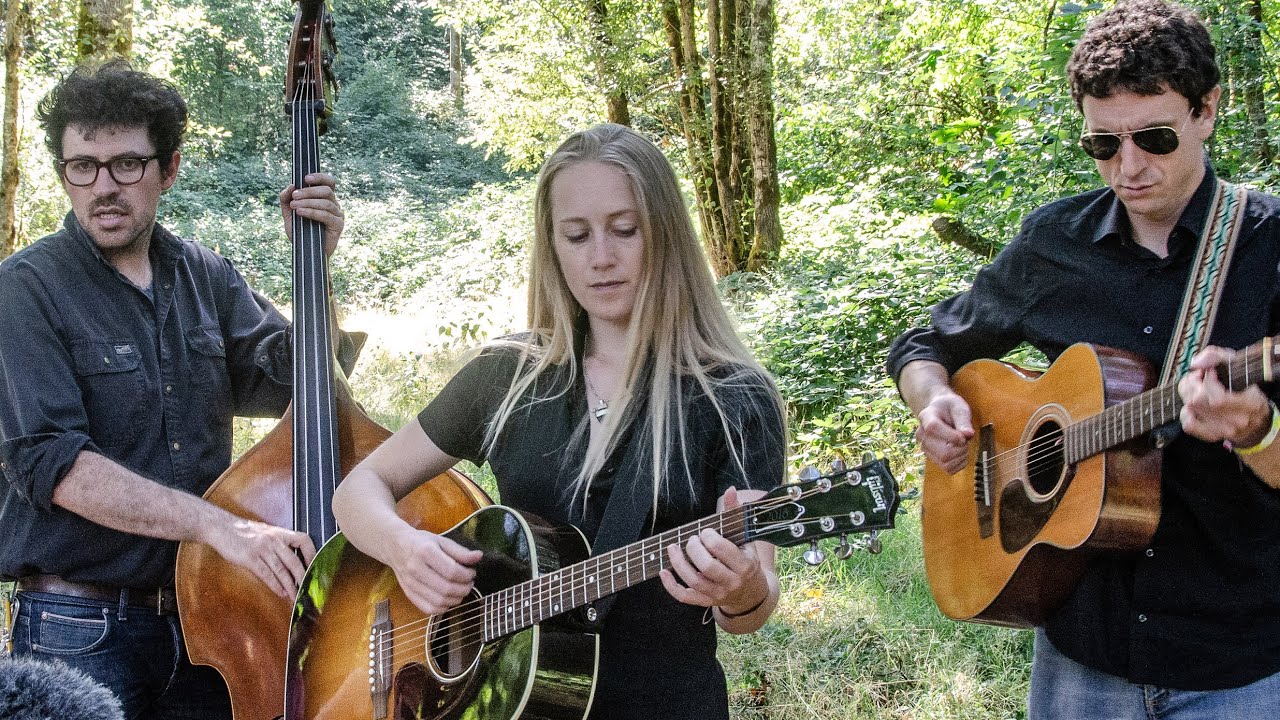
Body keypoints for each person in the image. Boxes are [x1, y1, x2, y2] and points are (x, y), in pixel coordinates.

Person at [888, 1, 1280, 717]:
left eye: (1154, 137)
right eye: (1103, 145)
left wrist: (1255, 430)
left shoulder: (1270, 246)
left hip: (1238, 664)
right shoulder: (1053, 244)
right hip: (1081, 655)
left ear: (1208, 110)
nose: (1128, 167)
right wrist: (931, 399)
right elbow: (927, 344)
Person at [332, 123, 787, 720]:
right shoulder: (508, 375)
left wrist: (742, 590)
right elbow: (356, 492)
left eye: (626, 230)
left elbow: (757, 600)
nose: (602, 257)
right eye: (577, 236)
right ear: (552, 248)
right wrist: (406, 550)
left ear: (666, 235)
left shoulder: (735, 400)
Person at [0, 60, 350, 719]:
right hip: (78, 626)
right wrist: (225, 530)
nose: (103, 186)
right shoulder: (23, 290)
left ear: (170, 168)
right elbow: (57, 467)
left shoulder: (207, 276)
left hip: (206, 625)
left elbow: (297, 388)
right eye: (83, 166)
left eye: (127, 165)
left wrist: (316, 268)